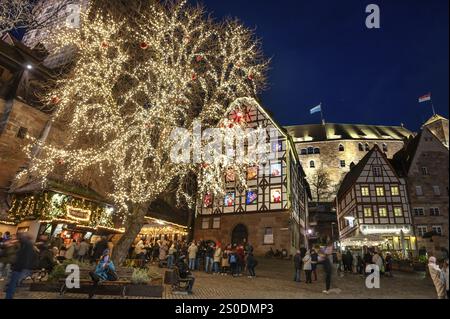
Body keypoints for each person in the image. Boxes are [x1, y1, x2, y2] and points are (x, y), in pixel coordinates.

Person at [5, 233, 37, 299]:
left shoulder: (27, 244)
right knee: (13, 282)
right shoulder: (29, 245)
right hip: (21, 267)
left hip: (19, 267)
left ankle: (9, 295)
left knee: (13, 282)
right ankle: (9, 294)